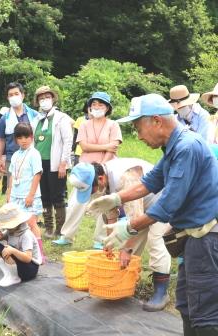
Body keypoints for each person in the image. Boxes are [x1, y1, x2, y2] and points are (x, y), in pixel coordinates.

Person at [89, 94, 218, 334]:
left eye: (138, 128)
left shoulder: (187, 147)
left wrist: (128, 227)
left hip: (207, 235)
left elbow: (167, 204)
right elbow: (150, 182)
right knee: (187, 303)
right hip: (193, 236)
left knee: (204, 311)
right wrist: (117, 198)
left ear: (157, 121)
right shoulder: (173, 146)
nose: (138, 136)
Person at [67, 161, 172, 311]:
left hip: (161, 201)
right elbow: (112, 215)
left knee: (155, 241)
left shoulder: (125, 178)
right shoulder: (104, 181)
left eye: (92, 190)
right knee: (127, 254)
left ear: (101, 179)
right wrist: (111, 243)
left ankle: (161, 292)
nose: (93, 194)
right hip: (140, 209)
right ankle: (127, 284)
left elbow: (136, 217)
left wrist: (126, 249)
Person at [53, 91, 122, 247]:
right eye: (94, 104)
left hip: (106, 169)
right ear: (89, 107)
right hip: (84, 170)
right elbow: (84, 146)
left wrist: (101, 167)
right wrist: (105, 146)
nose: (96, 107)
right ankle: (67, 236)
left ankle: (100, 239)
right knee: (75, 204)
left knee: (104, 204)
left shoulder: (113, 125)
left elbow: (113, 149)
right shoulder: (84, 124)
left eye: (100, 104)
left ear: (107, 108)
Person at [32, 85, 72, 239]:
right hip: (40, 163)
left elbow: (68, 141)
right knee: (44, 195)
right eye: (41, 98)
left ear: (53, 99)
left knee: (58, 196)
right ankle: (49, 227)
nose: (44, 101)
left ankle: (60, 228)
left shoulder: (61, 118)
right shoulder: (37, 120)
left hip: (56, 164)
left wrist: (64, 163)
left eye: (47, 97)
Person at [6, 122, 44, 258]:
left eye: (26, 137)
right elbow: (11, 175)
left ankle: (39, 253)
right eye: (20, 138)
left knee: (31, 223)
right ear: (16, 139)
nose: (23, 140)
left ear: (32, 137)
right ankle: (23, 251)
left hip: (29, 195)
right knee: (17, 224)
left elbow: (37, 174)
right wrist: (9, 192)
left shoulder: (34, 154)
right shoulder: (16, 155)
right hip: (16, 195)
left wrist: (31, 195)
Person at [0, 82, 41, 180]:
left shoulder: (34, 115)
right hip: (11, 159)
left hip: (31, 158)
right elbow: (1, 140)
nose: (14, 97)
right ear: (7, 98)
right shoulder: (5, 118)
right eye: (10, 95)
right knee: (12, 188)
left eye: (16, 94)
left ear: (22, 95)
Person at [0, 203, 42, 287]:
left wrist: (13, 251)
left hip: (30, 269)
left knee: (7, 250)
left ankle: (14, 277)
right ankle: (8, 275)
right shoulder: (11, 231)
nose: (7, 228)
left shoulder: (26, 235)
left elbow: (28, 258)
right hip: (19, 264)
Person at [72, 101, 90, 166]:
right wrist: (73, 148)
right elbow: (75, 135)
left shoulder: (98, 121)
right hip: (80, 150)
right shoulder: (80, 120)